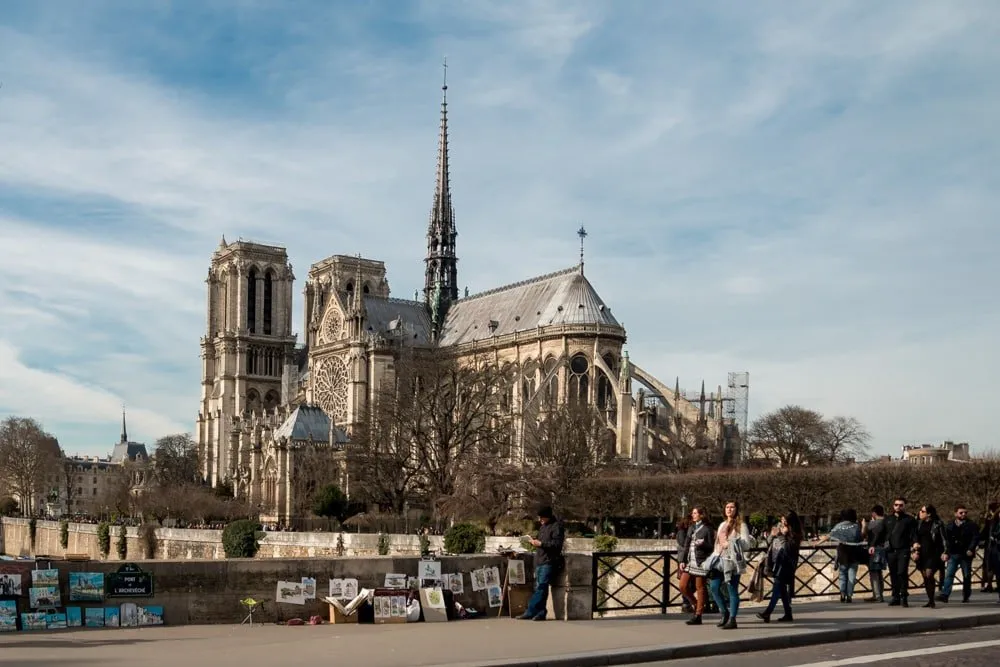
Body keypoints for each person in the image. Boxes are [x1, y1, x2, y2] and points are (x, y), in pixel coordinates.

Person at [707, 500, 751, 630]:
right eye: (727, 507)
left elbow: (747, 545)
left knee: (732, 590)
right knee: (714, 587)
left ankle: (732, 619)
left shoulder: (741, 526)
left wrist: (732, 543)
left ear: (736, 510)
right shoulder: (722, 525)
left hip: (731, 561)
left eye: (732, 507)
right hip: (719, 560)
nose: (729, 509)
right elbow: (718, 543)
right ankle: (724, 612)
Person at [519, 505, 564, 621]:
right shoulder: (543, 527)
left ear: (548, 516)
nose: (540, 520)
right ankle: (541, 612)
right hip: (539, 560)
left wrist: (541, 544)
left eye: (542, 518)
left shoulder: (556, 526)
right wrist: (534, 541)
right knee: (539, 588)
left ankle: (530, 610)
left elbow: (557, 545)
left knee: (541, 587)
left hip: (548, 561)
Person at [756, 510, 802, 623]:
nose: (782, 522)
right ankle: (788, 613)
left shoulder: (795, 533)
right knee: (781, 589)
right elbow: (768, 542)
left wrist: (781, 535)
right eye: (781, 519)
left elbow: (788, 549)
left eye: (785, 520)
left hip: (786, 563)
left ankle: (768, 612)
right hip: (775, 561)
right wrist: (772, 535)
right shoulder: (779, 527)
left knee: (777, 587)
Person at [679, 507, 714, 626]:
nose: (693, 515)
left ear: (701, 515)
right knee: (683, 586)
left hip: (700, 561)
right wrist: (682, 560)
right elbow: (686, 545)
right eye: (693, 513)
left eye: (695, 513)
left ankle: (698, 615)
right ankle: (697, 604)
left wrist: (703, 544)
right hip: (690, 561)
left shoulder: (707, 528)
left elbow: (711, 546)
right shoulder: (692, 527)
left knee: (700, 588)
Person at [938, 504, 979, 603]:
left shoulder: (972, 525)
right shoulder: (950, 525)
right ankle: (945, 594)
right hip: (954, 553)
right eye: (961, 513)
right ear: (955, 513)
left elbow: (975, 538)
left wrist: (971, 549)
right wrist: (946, 552)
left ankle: (966, 595)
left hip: (966, 554)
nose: (963, 514)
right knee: (949, 574)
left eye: (965, 512)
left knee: (966, 576)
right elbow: (947, 540)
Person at [885, 497, 918, 607]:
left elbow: (914, 534)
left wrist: (914, 544)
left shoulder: (909, 520)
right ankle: (895, 597)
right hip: (891, 550)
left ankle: (904, 596)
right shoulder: (888, 519)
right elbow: (882, 533)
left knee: (902, 572)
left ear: (905, 506)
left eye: (901, 505)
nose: (898, 507)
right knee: (893, 574)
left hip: (903, 549)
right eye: (896, 505)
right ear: (893, 506)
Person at [913, 504, 947, 608]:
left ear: (929, 514)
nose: (920, 513)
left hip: (934, 552)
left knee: (929, 574)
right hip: (922, 552)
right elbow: (915, 537)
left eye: (923, 511)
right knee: (925, 576)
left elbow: (944, 539)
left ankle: (932, 600)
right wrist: (915, 547)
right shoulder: (919, 524)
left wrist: (945, 552)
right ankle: (930, 599)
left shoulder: (938, 524)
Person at [864, 505, 888, 603]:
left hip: (874, 550)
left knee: (874, 573)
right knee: (879, 573)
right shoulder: (887, 522)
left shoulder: (872, 524)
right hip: (884, 549)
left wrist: (864, 526)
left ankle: (877, 595)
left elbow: (864, 534)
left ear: (874, 513)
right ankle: (880, 594)